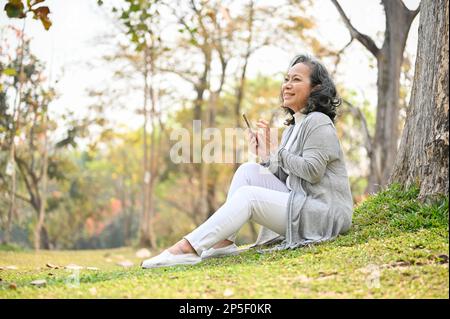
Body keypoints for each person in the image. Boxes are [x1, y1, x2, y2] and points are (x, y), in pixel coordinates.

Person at [141, 54, 354, 269]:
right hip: (302, 203)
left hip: (325, 215)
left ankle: (187, 248)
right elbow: (290, 180)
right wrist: (265, 155)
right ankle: (223, 243)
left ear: (316, 89)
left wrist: (276, 151)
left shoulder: (318, 121)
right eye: (286, 79)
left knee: (249, 196)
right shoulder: (293, 128)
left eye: (296, 80)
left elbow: (312, 172)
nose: (287, 85)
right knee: (248, 171)